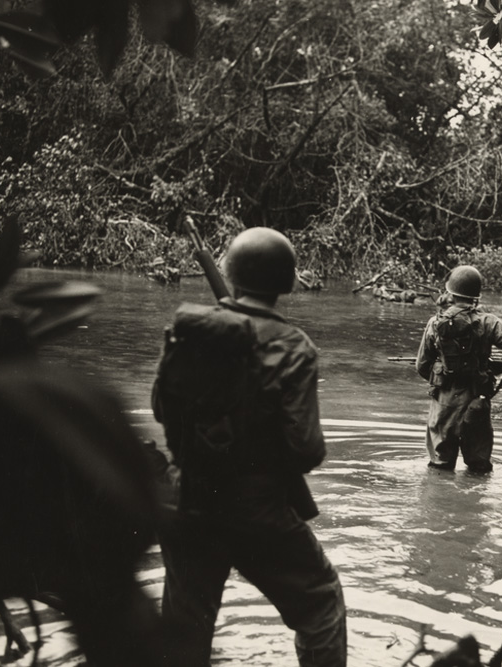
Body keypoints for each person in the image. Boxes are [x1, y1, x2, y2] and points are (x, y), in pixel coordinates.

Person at [152, 227, 346, 667]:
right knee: (320, 603)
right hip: (258, 508)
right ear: (289, 282)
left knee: (186, 625)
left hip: (187, 500)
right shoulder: (295, 345)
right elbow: (307, 449)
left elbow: (162, 411)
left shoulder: (188, 332)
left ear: (230, 273)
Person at [416, 265, 502, 472]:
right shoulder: (488, 322)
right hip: (477, 400)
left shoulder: (435, 323)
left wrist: (443, 376)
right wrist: (498, 369)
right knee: (479, 468)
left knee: (439, 467)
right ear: (476, 296)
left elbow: (421, 365)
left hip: (444, 403)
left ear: (450, 292)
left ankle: (439, 502)